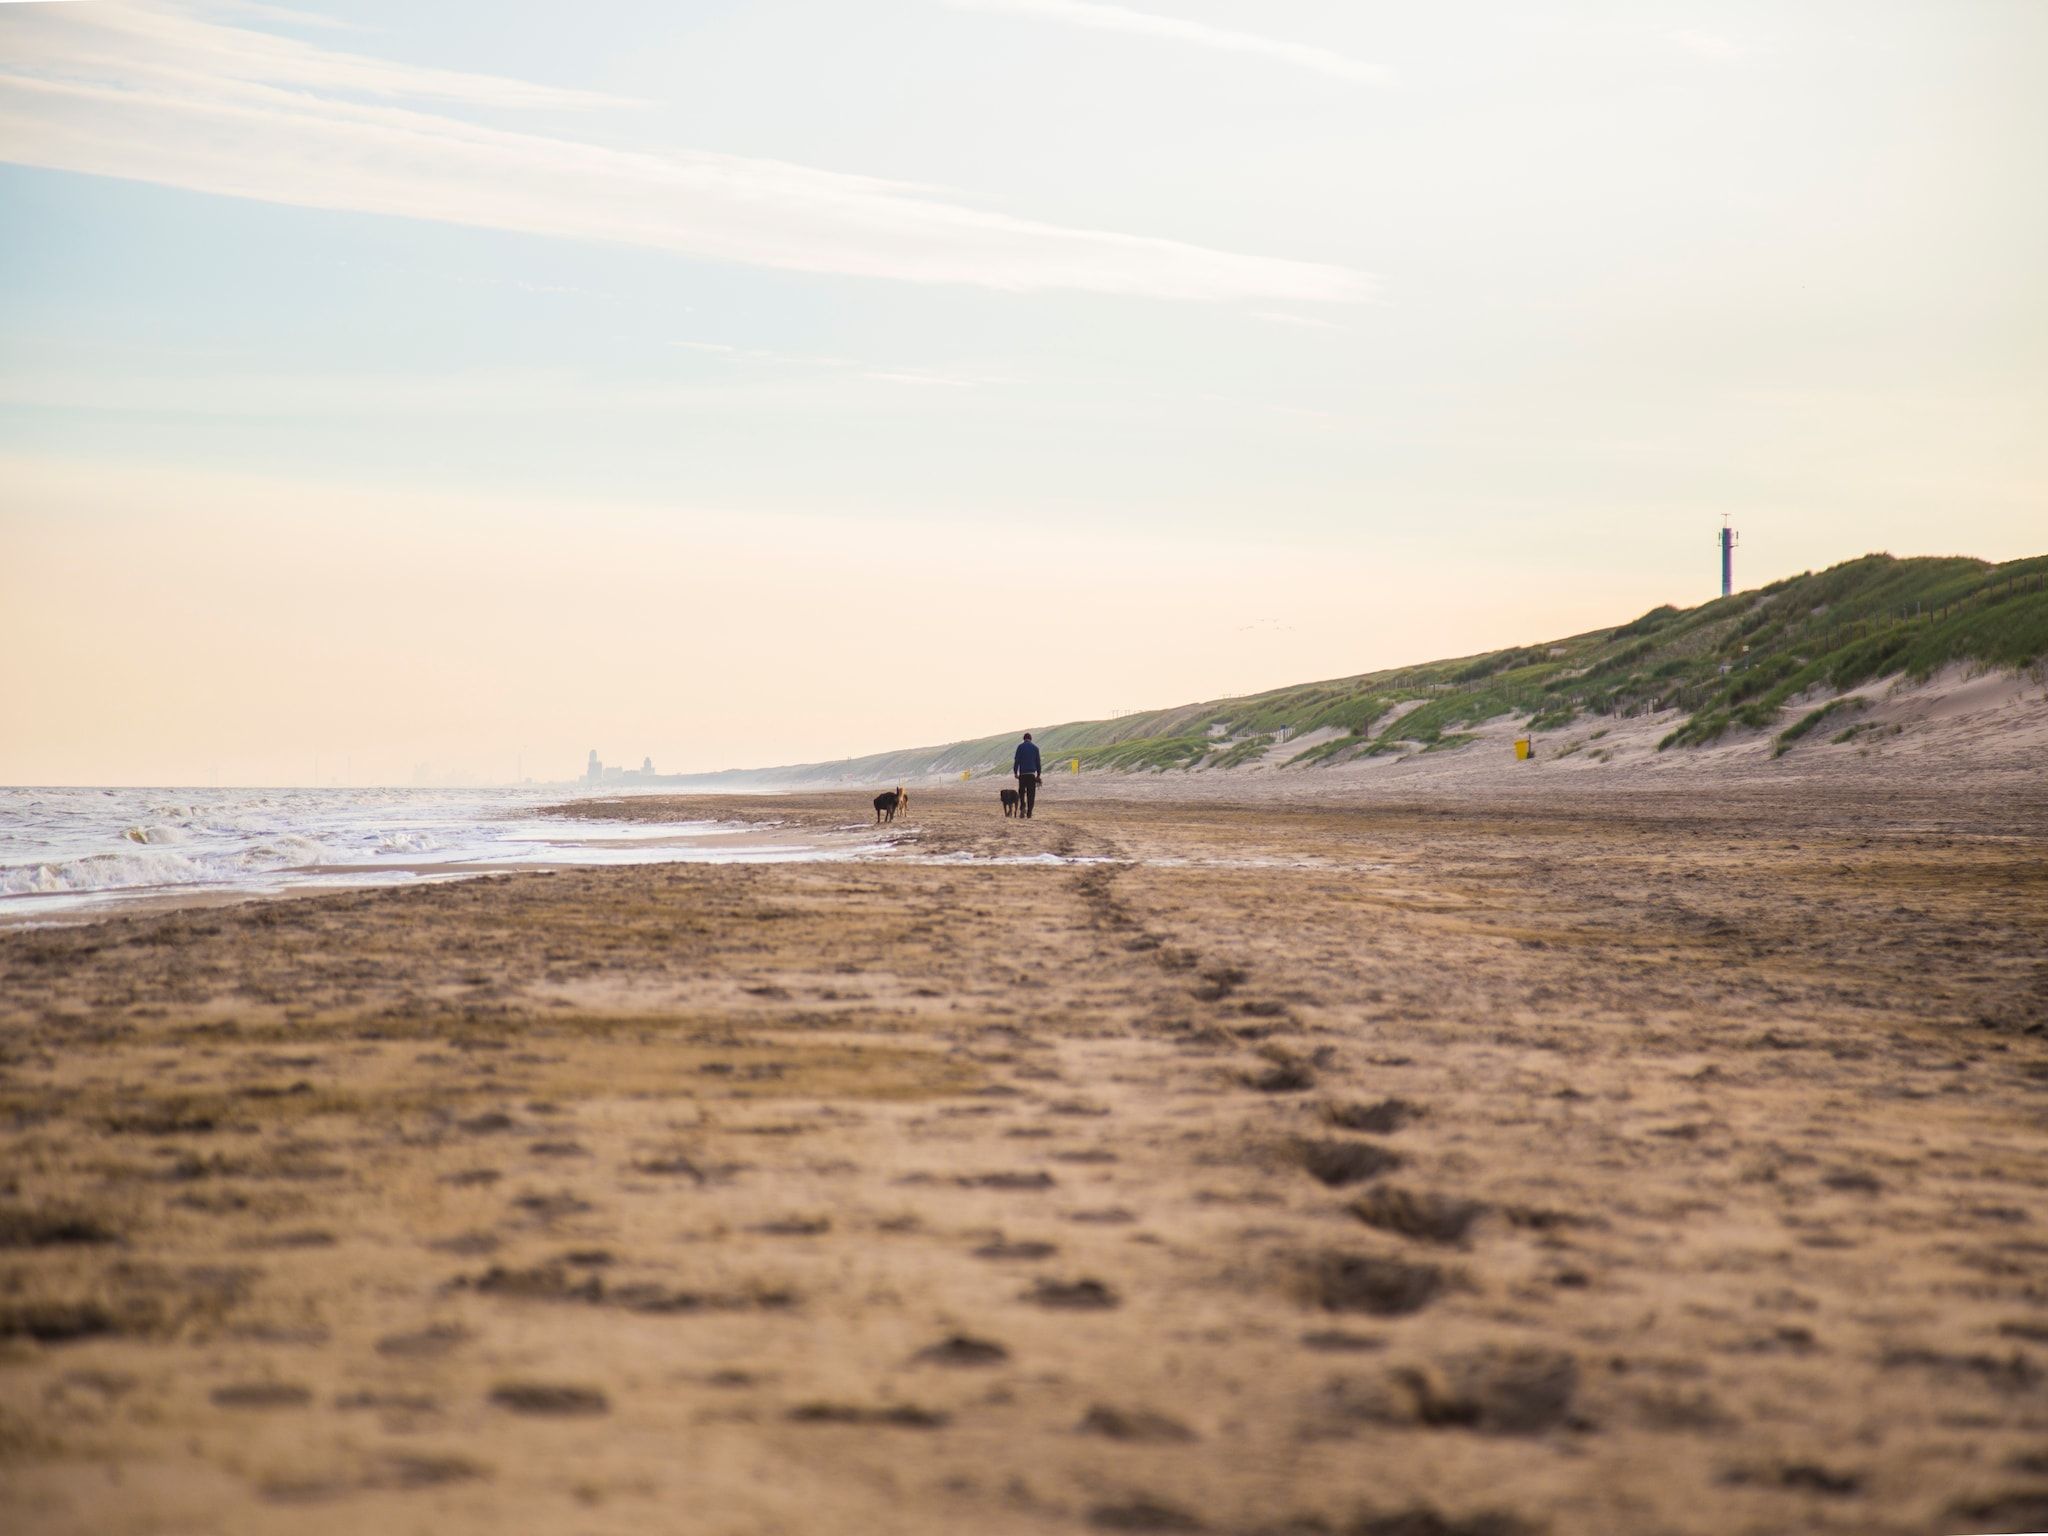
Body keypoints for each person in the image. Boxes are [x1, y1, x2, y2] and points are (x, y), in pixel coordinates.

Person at [1012, 731, 1042, 818]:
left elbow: (1017, 761)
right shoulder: (1035, 748)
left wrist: (1015, 772)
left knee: (1021, 792)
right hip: (1031, 774)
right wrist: (1038, 774)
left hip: (1022, 774)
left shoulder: (1020, 747)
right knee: (1031, 794)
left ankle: (1023, 806)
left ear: (1024, 739)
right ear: (1031, 739)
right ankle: (1029, 812)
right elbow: (1038, 762)